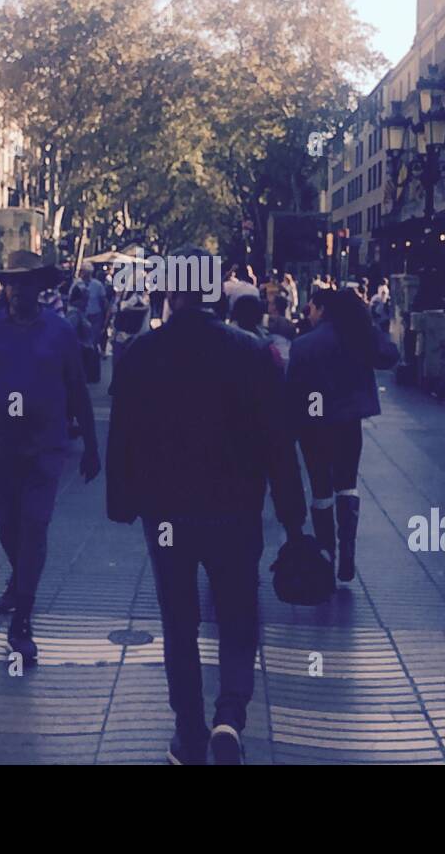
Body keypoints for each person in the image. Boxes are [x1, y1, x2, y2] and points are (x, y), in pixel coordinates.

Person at [107, 245, 307, 766]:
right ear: (214, 290)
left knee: (179, 621)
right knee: (239, 614)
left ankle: (189, 732)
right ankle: (230, 715)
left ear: (169, 289)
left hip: (167, 515)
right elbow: (278, 440)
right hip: (235, 510)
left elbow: (123, 432)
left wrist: (121, 499)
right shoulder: (250, 353)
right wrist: (292, 514)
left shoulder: (141, 354)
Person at [0, 251, 100, 667]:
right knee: (8, 526)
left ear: (40, 287)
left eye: (25, 282)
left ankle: (24, 618)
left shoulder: (61, 332)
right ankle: (21, 576)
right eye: (11, 282)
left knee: (34, 527)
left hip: (44, 448)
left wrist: (93, 445)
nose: (16, 290)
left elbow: (78, 390)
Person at [286, 288, 381, 583]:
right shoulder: (357, 337)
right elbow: (390, 354)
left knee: (320, 487)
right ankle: (348, 544)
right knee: (347, 482)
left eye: (311, 308)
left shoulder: (303, 345)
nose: (308, 314)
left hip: (313, 426)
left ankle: (328, 552)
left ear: (322, 309)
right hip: (348, 423)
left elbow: (293, 389)